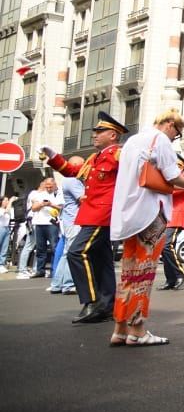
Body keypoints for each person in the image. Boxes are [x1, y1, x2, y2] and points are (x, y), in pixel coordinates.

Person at [109, 108, 184, 346]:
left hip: (129, 213)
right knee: (145, 272)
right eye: (177, 133)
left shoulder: (132, 141)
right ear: (170, 124)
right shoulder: (159, 139)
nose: (175, 138)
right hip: (151, 212)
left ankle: (120, 328)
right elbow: (173, 176)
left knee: (128, 273)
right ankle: (137, 330)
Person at [42, 111, 126, 324]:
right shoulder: (95, 157)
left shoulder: (119, 154)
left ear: (113, 135)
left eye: (100, 131)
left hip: (103, 214)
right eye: (95, 131)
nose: (94, 135)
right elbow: (73, 171)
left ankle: (93, 301)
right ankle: (106, 306)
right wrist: (54, 157)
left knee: (77, 252)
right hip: (92, 213)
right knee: (102, 259)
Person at [157, 155, 184, 291]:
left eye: (177, 166)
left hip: (176, 216)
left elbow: (172, 189)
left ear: (182, 168)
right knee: (165, 249)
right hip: (166, 217)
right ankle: (170, 279)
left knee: (166, 246)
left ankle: (180, 273)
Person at [50, 174, 85, 295]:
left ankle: (57, 284)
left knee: (67, 253)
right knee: (73, 252)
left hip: (69, 221)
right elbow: (83, 198)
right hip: (74, 222)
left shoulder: (68, 181)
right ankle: (68, 284)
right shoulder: (73, 181)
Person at [27, 178, 61, 278]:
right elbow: (33, 208)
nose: (49, 188)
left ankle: (54, 270)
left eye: (50, 186)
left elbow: (61, 207)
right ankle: (40, 270)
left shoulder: (58, 194)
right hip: (40, 223)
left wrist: (51, 204)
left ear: (54, 185)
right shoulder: (40, 194)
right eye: (47, 186)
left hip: (52, 224)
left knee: (54, 247)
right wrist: (42, 204)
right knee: (40, 248)